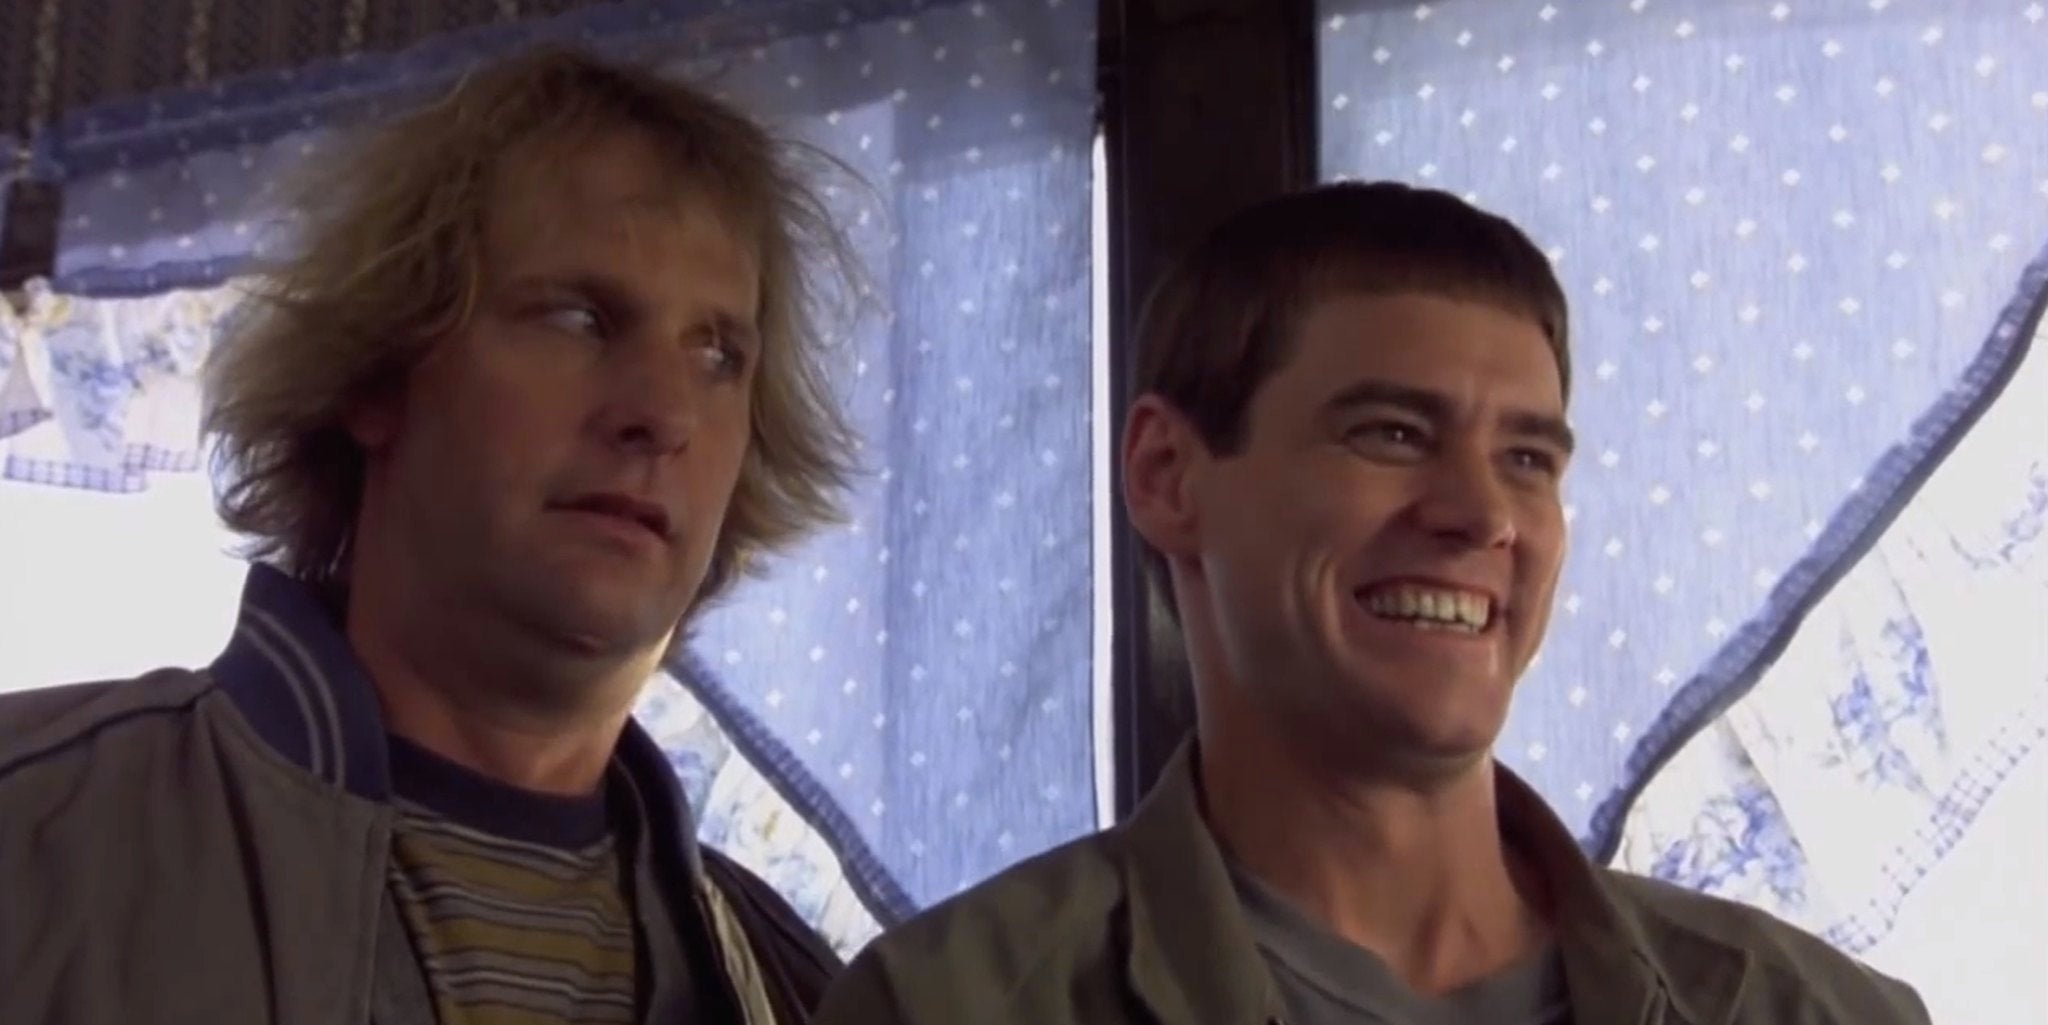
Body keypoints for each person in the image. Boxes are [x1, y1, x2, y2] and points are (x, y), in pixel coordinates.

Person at [812, 182, 1932, 1025]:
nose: (1480, 515)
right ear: (1166, 475)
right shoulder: (953, 1004)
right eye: (1391, 433)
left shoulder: (1810, 1009)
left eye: (1528, 458)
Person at [0, 47, 864, 1024]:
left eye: (717, 353)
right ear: (380, 375)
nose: (663, 413)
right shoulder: (34, 840)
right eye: (580, 317)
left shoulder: (802, 990)